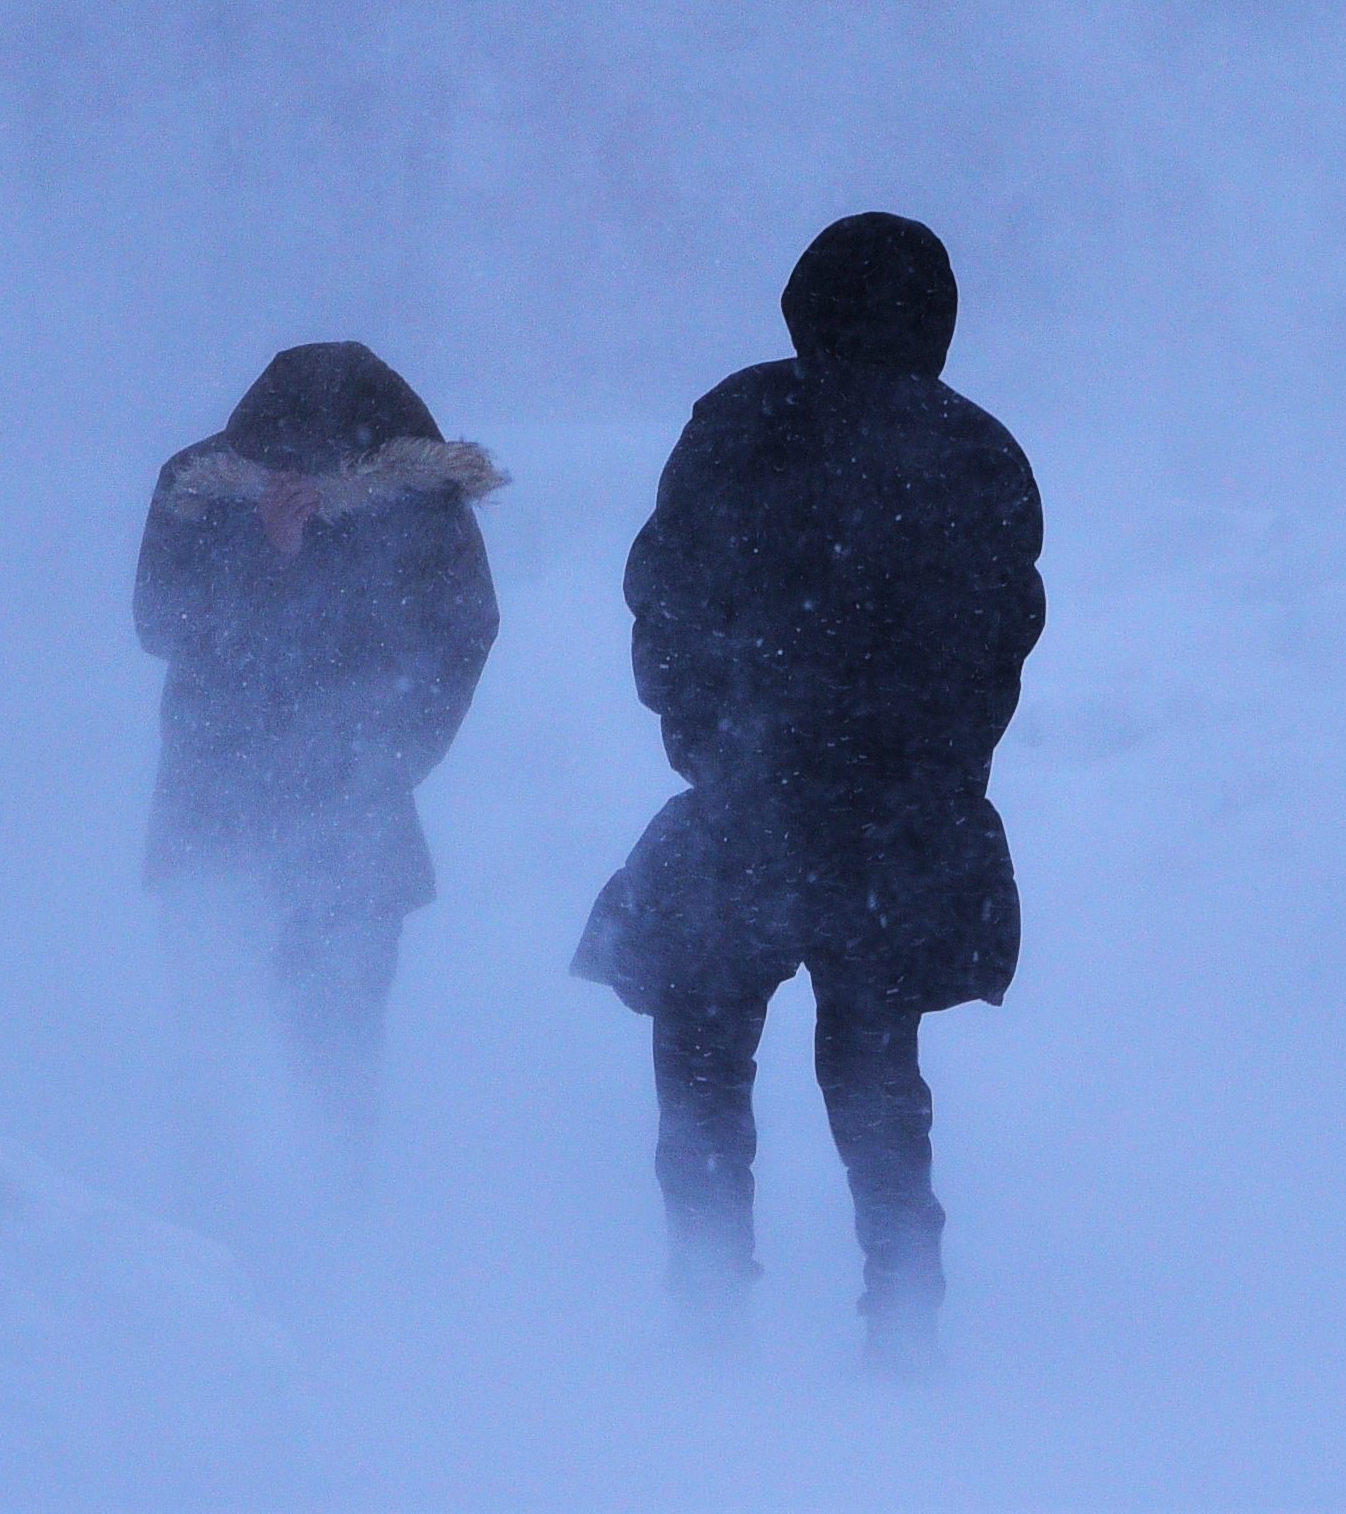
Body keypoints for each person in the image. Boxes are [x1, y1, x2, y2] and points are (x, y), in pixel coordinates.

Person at [576, 212, 1044, 1371]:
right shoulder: (978, 448)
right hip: (899, 821)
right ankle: (904, 1308)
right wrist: (936, 767)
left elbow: (665, 592)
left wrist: (705, 738)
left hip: (749, 802)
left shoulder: (741, 420)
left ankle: (706, 1306)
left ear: (805, 302)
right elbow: (1001, 638)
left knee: (699, 1047)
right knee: (875, 1059)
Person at [131, 341, 504, 1167]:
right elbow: (159, 622)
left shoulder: (419, 502)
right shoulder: (200, 488)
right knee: (218, 1044)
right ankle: (211, 1252)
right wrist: (266, 555)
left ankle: (330, 1242)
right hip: (217, 810)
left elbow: (463, 630)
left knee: (337, 1050)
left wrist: (394, 755)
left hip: (355, 818)